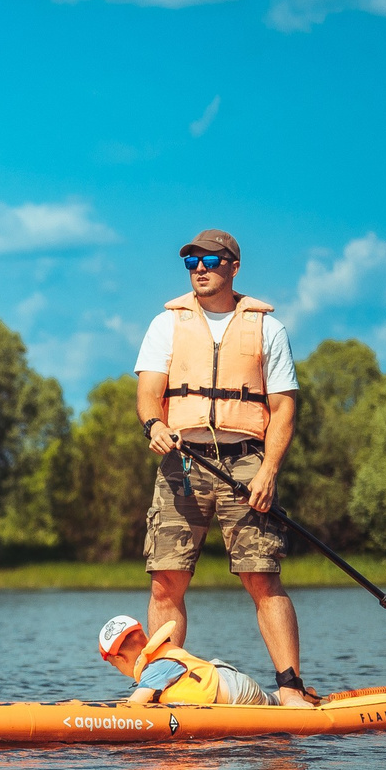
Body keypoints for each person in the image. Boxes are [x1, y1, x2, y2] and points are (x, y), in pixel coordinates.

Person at [132, 229, 319, 708]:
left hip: (246, 463)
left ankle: (291, 687)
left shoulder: (268, 329)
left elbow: (283, 409)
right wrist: (154, 423)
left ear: (233, 266)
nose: (200, 267)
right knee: (166, 576)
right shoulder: (166, 324)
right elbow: (149, 392)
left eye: (211, 260)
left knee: (262, 575)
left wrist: (269, 471)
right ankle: (164, 686)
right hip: (183, 462)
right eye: (192, 260)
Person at [96, 614, 280, 707]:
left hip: (236, 690)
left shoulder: (156, 668)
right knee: (272, 700)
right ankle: (299, 694)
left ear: (120, 658)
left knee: (270, 705)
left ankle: (291, 698)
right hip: (219, 676)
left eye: (115, 665)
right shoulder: (157, 659)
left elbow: (133, 707)